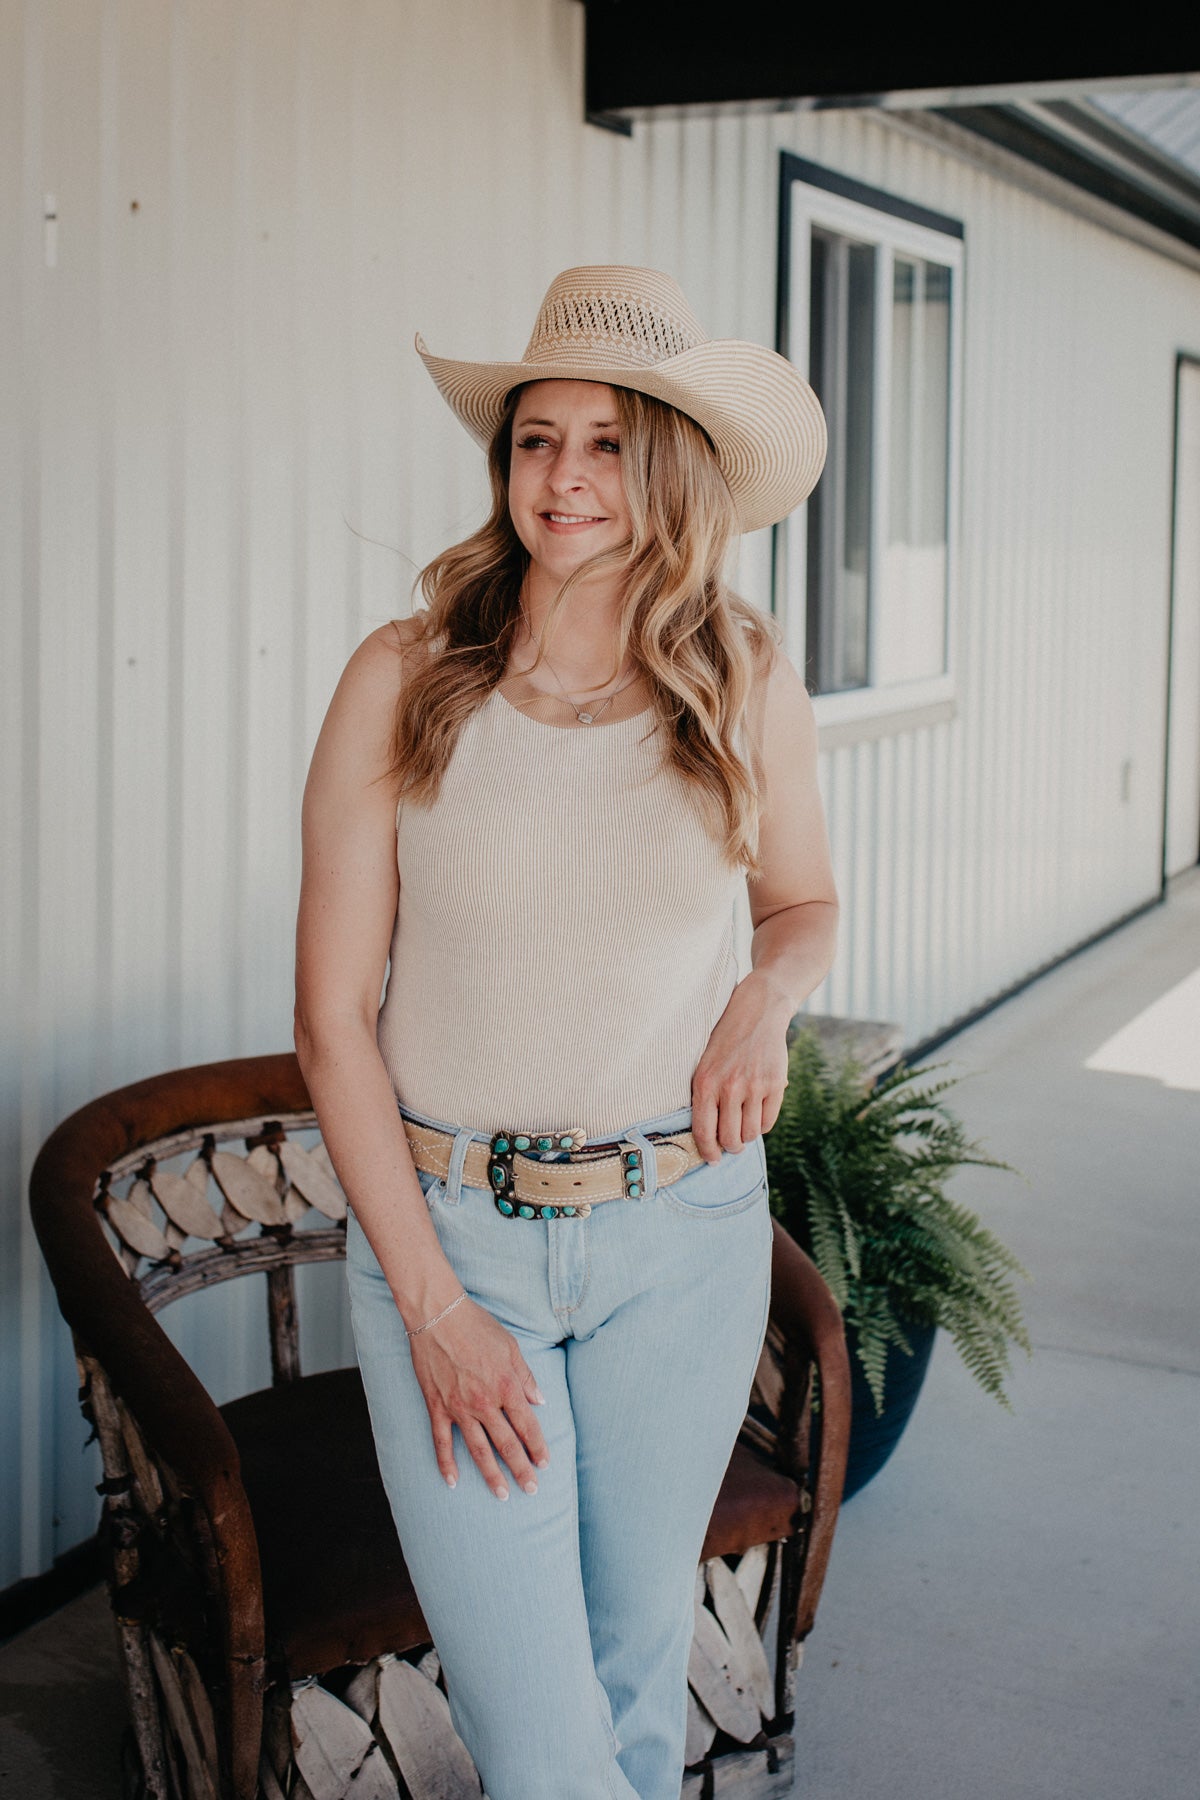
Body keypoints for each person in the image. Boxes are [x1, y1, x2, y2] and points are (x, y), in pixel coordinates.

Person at [293, 266, 838, 1800]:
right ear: (504, 464)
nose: (567, 478)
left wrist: (762, 1001)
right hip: (456, 1249)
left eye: (607, 440)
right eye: (538, 440)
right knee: (545, 1746)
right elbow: (333, 1024)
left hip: (687, 1238)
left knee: (632, 1691)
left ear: (667, 461)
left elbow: (803, 906)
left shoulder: (741, 677)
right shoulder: (402, 684)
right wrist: (437, 1312)